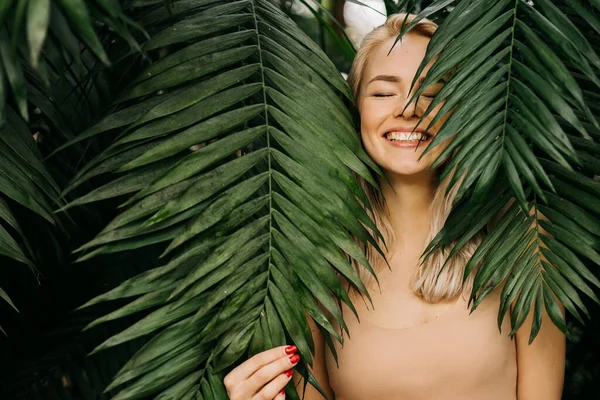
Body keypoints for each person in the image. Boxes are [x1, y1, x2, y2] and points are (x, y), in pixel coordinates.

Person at [223, 13, 566, 400]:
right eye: (384, 92)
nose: (409, 108)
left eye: (434, 93)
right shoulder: (320, 263)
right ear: (354, 111)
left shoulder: (518, 235)